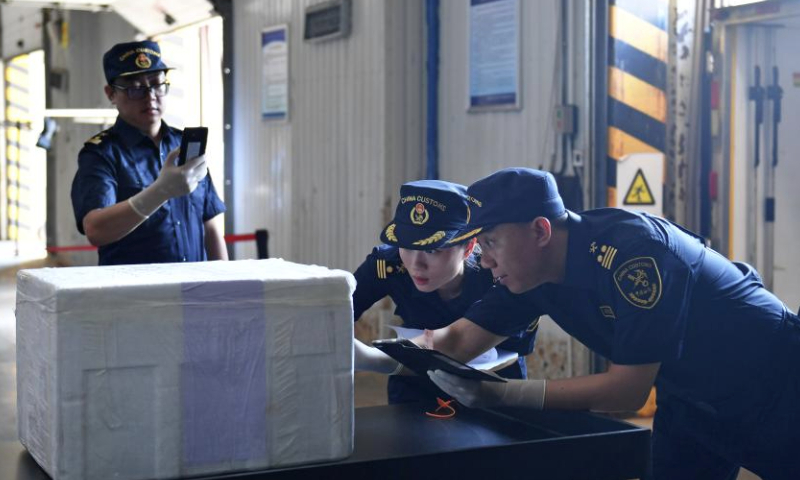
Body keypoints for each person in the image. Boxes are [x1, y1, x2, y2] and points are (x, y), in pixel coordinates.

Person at [425, 167, 800, 479]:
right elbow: (456, 342)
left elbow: (627, 391)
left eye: (490, 242)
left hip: (777, 387)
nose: (484, 260)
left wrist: (500, 393)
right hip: (691, 399)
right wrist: (374, 356)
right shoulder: (531, 274)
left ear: (540, 231)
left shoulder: (635, 254)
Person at [352, 179, 539, 405]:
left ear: (468, 247)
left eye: (432, 249)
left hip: (492, 383)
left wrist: (373, 359)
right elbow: (340, 308)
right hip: (414, 380)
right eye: (407, 247)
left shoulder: (498, 273)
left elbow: (459, 341)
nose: (416, 264)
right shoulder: (388, 266)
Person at [71, 40, 227, 265]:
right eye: (135, 88)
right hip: (134, 294)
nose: (150, 95)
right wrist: (160, 192)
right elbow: (96, 229)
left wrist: (225, 285)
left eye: (157, 84)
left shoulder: (185, 145)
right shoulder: (101, 154)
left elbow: (210, 223)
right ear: (111, 94)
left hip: (195, 290)